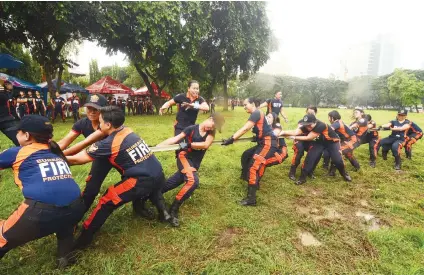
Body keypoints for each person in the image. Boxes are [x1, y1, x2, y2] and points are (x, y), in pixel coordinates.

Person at [66, 106, 171, 249]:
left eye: (100, 122)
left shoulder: (108, 143)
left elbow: (77, 160)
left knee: (106, 200)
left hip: (141, 181)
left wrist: (55, 159)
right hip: (158, 173)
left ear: (108, 125)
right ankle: (151, 210)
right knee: (139, 186)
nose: (99, 125)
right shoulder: (128, 130)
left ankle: (82, 240)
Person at [0, 115, 85, 268]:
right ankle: (64, 258)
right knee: (65, 224)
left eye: (18, 132)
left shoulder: (18, 152)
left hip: (40, 213)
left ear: (26, 135)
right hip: (77, 207)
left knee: (2, 238)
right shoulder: (55, 150)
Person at [155, 113, 225, 226]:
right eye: (212, 125)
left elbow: (205, 145)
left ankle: (152, 194)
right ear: (210, 118)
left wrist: (188, 144)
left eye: (214, 128)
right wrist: (157, 147)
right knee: (193, 181)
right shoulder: (191, 129)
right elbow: (175, 139)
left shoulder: (211, 133)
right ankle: (173, 209)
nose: (211, 128)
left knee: (174, 181)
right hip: (184, 157)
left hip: (194, 163)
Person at [222, 98, 283, 206]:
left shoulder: (256, 112)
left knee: (254, 167)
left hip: (268, 143)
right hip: (262, 142)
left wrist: (231, 139)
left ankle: (251, 199)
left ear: (253, 104)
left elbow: (245, 129)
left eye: (246, 104)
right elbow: (261, 129)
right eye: (243, 105)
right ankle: (249, 179)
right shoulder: (257, 113)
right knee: (246, 155)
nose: (244, 107)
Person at [58, 94, 112, 211]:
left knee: (133, 178)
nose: (92, 112)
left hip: (118, 155)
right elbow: (64, 142)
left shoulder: (107, 123)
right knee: (91, 188)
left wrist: (56, 156)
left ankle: (141, 204)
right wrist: (45, 152)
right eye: (89, 108)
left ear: (104, 110)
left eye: (96, 109)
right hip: (101, 157)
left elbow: (84, 144)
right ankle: (77, 214)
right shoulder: (82, 123)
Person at [280, 114, 352, 185]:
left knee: (337, 160)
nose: (308, 127)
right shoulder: (306, 125)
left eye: (310, 125)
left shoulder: (321, 125)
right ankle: (302, 178)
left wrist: (293, 137)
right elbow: (295, 132)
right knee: (310, 157)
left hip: (332, 142)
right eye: (306, 125)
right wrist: (283, 132)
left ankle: (344, 173)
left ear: (315, 122)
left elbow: (309, 138)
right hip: (319, 143)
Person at [288, 106, 317, 181]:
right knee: (299, 151)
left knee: (315, 152)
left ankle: (310, 171)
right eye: (308, 113)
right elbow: (298, 130)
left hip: (310, 140)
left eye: (312, 113)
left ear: (316, 113)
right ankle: (292, 171)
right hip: (299, 139)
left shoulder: (318, 122)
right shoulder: (302, 121)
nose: (310, 114)